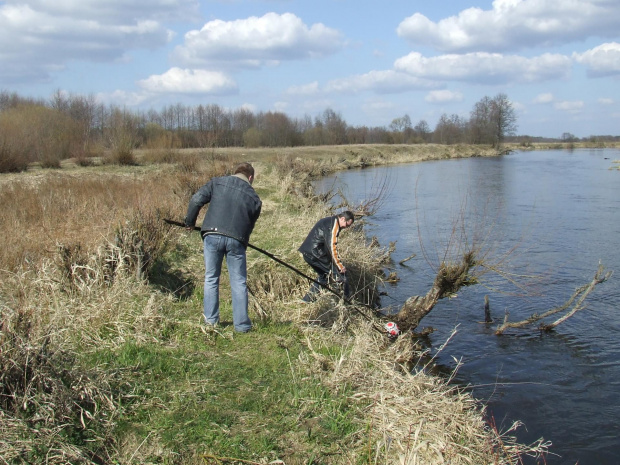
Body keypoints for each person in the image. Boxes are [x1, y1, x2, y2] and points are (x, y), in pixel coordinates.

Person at [184, 162, 262, 332]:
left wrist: (190, 222)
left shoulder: (217, 182)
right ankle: (241, 326)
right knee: (239, 281)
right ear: (250, 177)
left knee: (211, 278)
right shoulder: (255, 197)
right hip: (237, 240)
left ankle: (211, 322)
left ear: (235, 173)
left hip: (211, 235)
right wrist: (243, 242)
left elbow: (197, 199)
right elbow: (250, 223)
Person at [298, 211, 355, 302]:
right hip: (315, 254)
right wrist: (340, 266)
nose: (346, 227)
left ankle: (306, 301)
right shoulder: (334, 225)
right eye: (346, 225)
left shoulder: (329, 220)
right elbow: (332, 247)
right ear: (342, 218)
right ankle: (347, 301)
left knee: (324, 277)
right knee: (341, 276)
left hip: (308, 252)